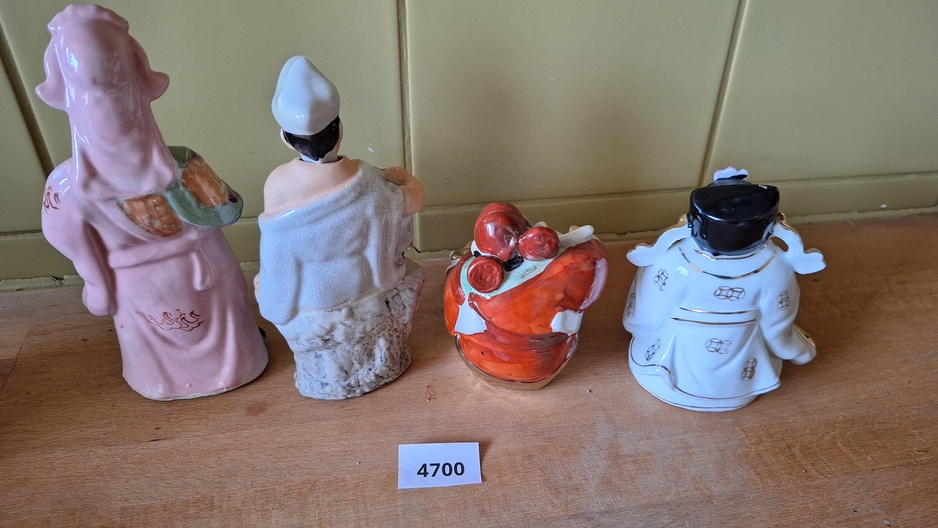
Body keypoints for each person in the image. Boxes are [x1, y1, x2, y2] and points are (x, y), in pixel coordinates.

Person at [37, 4, 267, 400]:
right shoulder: (67, 185)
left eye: (118, 88)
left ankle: (239, 361)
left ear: (139, 87)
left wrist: (203, 194)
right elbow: (64, 235)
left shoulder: (183, 163)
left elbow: (228, 211)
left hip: (208, 274)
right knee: (153, 349)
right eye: (90, 95)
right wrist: (95, 279)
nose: (108, 107)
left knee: (231, 334)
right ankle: (162, 378)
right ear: (70, 99)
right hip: (139, 290)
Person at [256, 56, 425, 399]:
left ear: (286, 139)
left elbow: (277, 261)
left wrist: (271, 303)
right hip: (366, 286)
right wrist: (404, 177)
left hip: (315, 298)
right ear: (340, 129)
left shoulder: (278, 186)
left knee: (262, 285)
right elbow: (414, 200)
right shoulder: (368, 181)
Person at [623, 168, 825, 411]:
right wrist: (800, 351)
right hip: (737, 379)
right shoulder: (775, 269)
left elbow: (646, 315)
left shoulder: (675, 261)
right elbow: (776, 328)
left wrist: (639, 330)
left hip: (667, 366)